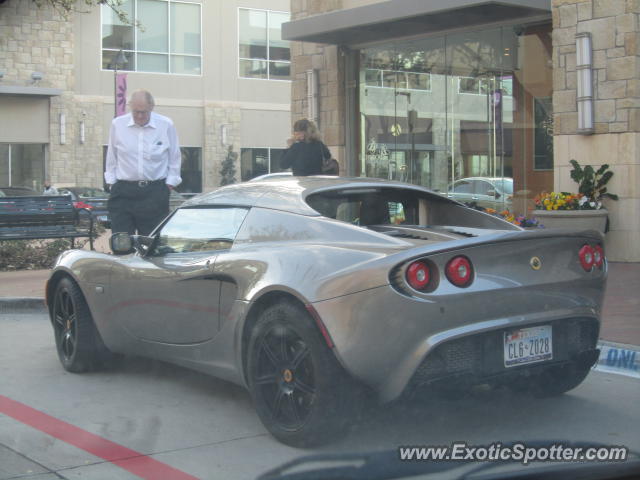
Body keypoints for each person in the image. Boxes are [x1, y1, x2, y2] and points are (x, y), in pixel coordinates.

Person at [104, 90, 182, 236]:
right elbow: (112, 157)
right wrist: (112, 182)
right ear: (130, 107)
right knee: (121, 241)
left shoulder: (166, 125)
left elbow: (175, 157)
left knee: (151, 243)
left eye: (144, 112)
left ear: (152, 107)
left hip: (154, 192)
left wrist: (170, 184)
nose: (140, 116)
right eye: (136, 112)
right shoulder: (117, 124)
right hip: (123, 191)